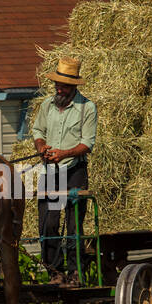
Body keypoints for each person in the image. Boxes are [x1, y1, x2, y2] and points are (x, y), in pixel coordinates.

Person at [32, 56, 96, 285]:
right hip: (50, 172)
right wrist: (42, 147)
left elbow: (87, 143)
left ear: (73, 87)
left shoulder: (86, 108)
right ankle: (55, 272)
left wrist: (64, 153)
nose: (59, 89)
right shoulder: (47, 105)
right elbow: (38, 130)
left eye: (64, 86)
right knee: (48, 223)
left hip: (74, 171)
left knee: (73, 226)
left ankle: (75, 272)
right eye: (57, 84)